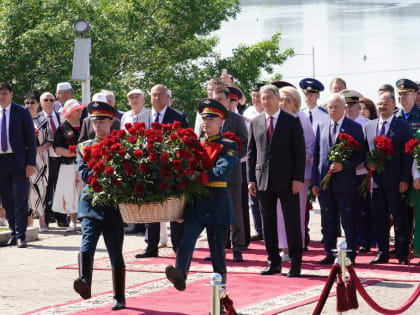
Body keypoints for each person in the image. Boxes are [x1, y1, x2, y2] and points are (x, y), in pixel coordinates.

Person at [165, 98, 237, 295]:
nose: (206, 122)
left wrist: (197, 175)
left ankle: (221, 301)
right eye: (204, 118)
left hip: (217, 202)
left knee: (218, 256)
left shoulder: (228, 145)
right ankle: (180, 275)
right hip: (196, 201)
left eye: (211, 118)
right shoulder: (195, 143)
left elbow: (222, 171)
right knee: (186, 241)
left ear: (221, 121)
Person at [247, 84, 306, 277]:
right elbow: (252, 153)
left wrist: (298, 178)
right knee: (268, 224)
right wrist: (251, 179)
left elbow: (300, 152)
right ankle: (273, 262)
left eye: (268, 98)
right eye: (262, 98)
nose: (265, 102)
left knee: (292, 223)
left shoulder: (291, 121)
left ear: (277, 99)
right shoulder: (256, 122)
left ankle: (296, 264)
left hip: (288, 181)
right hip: (263, 180)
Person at [74, 100, 126, 310]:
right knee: (87, 246)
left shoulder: (122, 146)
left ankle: (119, 297)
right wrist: (107, 174)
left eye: (101, 121)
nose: (97, 125)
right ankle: (84, 282)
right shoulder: (84, 146)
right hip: (90, 205)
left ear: (111, 121)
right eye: (94, 121)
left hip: (112, 206)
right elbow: (85, 174)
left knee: (115, 251)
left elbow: (125, 174)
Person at [135, 84, 189, 258]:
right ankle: (151, 246)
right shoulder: (142, 116)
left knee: (174, 209)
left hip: (171, 169)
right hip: (149, 168)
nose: (156, 98)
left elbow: (184, 140)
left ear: (167, 97)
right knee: (151, 208)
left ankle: (178, 246)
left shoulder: (178, 116)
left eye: (160, 95)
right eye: (153, 95)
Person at [312, 94, 364, 264]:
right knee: (327, 218)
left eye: (336, 107)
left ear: (344, 108)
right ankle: (329, 251)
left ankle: (350, 254)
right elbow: (317, 155)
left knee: (347, 218)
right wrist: (315, 181)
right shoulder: (321, 125)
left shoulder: (354, 127)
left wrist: (345, 165)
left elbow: (360, 155)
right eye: (330, 107)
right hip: (325, 181)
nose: (332, 110)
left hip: (345, 182)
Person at [365, 92, 413, 265]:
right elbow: (364, 151)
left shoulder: (403, 126)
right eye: (379, 104)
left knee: (400, 218)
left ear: (393, 104)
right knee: (378, 218)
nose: (381, 107)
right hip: (376, 181)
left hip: (396, 181)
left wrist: (405, 179)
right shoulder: (369, 126)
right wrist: (368, 163)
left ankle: (401, 254)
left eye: (385, 104)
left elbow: (408, 154)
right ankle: (382, 251)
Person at [276, 86, 315, 261]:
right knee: (278, 212)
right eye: (281, 99)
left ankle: (294, 247)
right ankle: (283, 247)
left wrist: (294, 164)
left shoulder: (302, 119)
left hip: (298, 175)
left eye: (287, 100)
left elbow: (310, 147)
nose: (283, 103)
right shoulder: (276, 119)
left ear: (295, 103)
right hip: (278, 176)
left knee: (295, 212)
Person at [210, 86, 248, 262]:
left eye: (220, 100)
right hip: (214, 175)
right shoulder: (208, 120)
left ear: (228, 101)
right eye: (214, 99)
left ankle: (238, 248)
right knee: (216, 213)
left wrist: (230, 158)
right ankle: (217, 248)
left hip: (232, 174)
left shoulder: (237, 120)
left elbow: (246, 145)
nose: (217, 103)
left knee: (235, 213)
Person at [0, 82, 37, 248]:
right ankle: (13, 233)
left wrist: (30, 163)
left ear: (11, 94)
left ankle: (22, 235)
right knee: (6, 199)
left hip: (19, 162)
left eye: (5, 93)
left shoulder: (21, 112)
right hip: (1, 161)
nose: (2, 96)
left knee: (20, 197)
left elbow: (31, 139)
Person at [341, 89, 372, 253]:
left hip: (362, 173)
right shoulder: (341, 123)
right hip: (345, 173)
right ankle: (351, 240)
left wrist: (363, 163)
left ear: (358, 107)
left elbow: (369, 149)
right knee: (348, 209)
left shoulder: (366, 124)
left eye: (352, 106)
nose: (348, 109)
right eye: (346, 106)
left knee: (363, 208)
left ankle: (365, 240)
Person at [52, 99, 84, 232]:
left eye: (80, 109)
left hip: (84, 164)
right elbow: (58, 148)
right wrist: (74, 153)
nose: (80, 112)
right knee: (70, 193)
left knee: (84, 192)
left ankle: (85, 220)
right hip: (68, 165)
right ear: (70, 112)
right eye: (77, 110)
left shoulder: (85, 124)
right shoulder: (62, 128)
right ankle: (72, 221)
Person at [24, 90, 51, 232]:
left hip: (41, 160)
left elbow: (49, 142)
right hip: (25, 159)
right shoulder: (21, 119)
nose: (29, 105)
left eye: (32, 102)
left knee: (41, 189)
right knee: (27, 189)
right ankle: (28, 221)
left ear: (37, 104)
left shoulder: (44, 121)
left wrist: (37, 149)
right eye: (27, 102)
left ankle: (42, 219)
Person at [242, 83, 265, 241]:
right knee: (253, 197)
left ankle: (267, 228)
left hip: (265, 159)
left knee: (265, 196)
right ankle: (258, 229)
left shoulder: (269, 111)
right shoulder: (247, 111)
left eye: (259, 96)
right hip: (251, 158)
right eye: (254, 96)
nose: (256, 99)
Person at [40, 92, 64, 227]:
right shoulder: (37, 118)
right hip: (45, 157)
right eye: (45, 100)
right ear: (41, 103)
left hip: (60, 157)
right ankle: (46, 217)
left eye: (51, 100)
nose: (49, 102)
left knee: (60, 186)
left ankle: (61, 217)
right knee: (46, 188)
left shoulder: (61, 117)